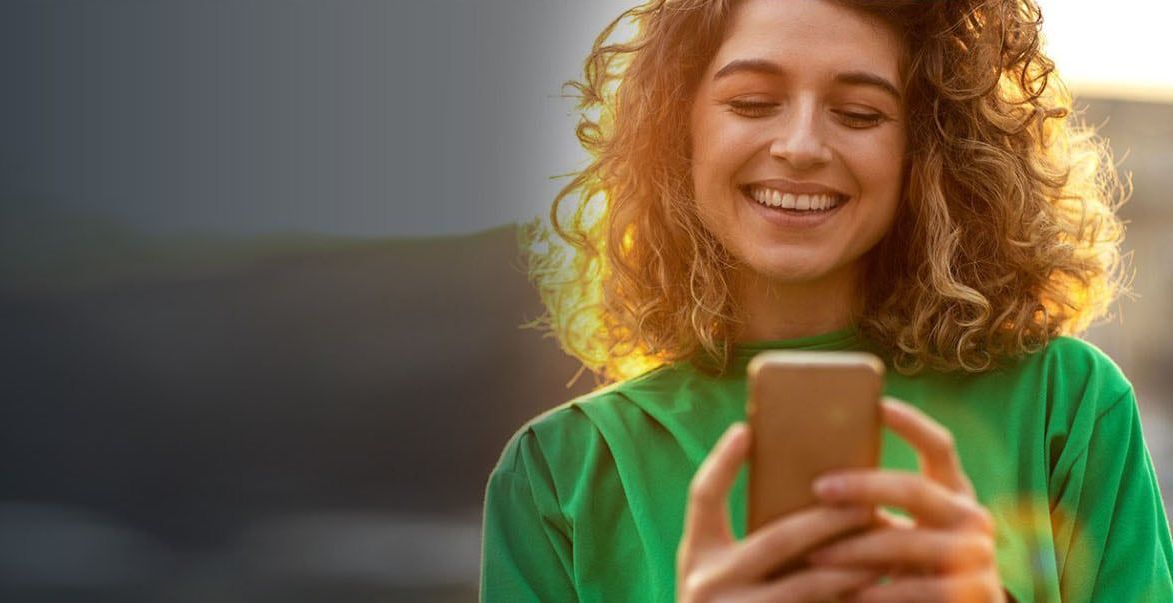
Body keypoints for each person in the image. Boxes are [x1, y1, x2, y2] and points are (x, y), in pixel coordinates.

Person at [481, 0, 1173, 601]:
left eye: (860, 113)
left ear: (924, 149)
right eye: (752, 102)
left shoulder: (1067, 403)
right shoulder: (558, 470)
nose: (802, 145)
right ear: (676, 130)